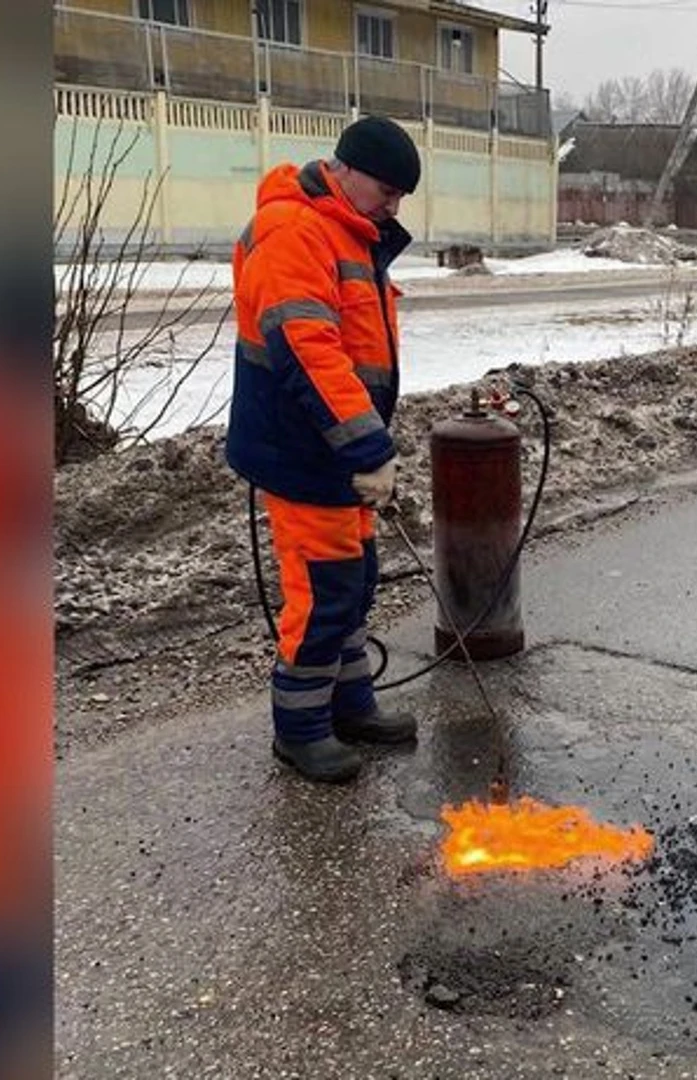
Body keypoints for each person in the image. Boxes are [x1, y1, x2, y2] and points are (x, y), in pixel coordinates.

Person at [225, 116, 422, 782]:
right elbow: (310, 355)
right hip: (303, 451)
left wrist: (363, 447)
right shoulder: (294, 232)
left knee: (354, 580)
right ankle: (302, 729)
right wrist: (368, 446)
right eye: (388, 190)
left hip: (335, 450)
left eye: (401, 197)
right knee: (323, 590)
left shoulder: (350, 231)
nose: (394, 206)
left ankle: (350, 704)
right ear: (346, 170)